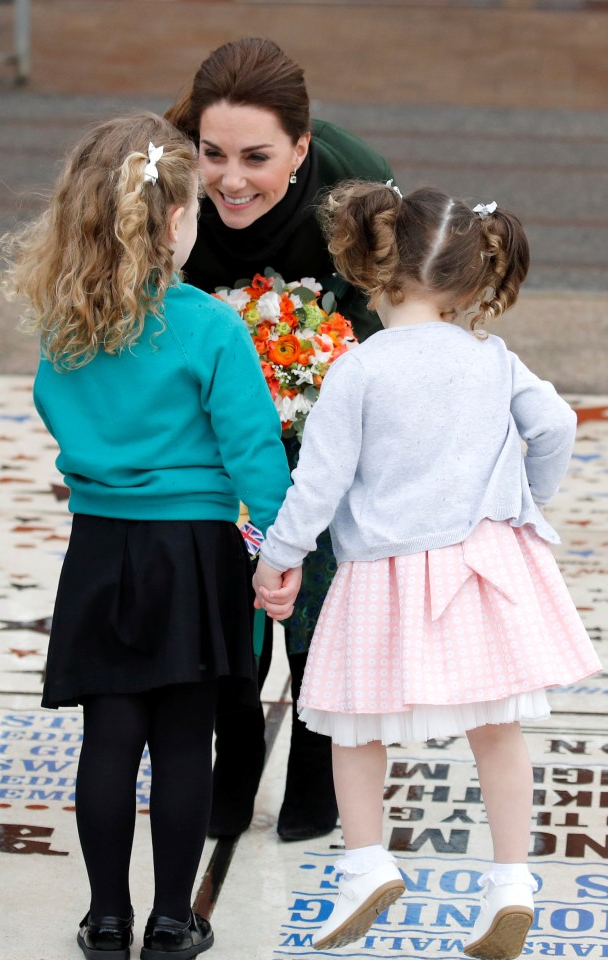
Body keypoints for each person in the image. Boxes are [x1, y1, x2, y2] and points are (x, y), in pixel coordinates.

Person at [252, 181, 603, 958]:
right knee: (497, 729)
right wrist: (521, 500)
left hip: (385, 575)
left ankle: (367, 864)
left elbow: (321, 481)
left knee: (355, 724)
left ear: (378, 270)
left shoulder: (361, 369)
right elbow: (550, 426)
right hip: (486, 564)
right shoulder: (491, 357)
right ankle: (511, 883)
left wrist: (278, 558)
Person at [0, 112, 292, 960]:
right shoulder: (208, 326)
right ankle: (173, 918)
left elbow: (57, 412)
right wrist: (279, 549)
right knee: (184, 741)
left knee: (108, 740)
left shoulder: (66, 320)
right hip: (195, 554)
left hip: (99, 548)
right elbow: (253, 452)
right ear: (173, 221)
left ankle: (105, 918)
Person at [165, 36, 395, 843]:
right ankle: (230, 766)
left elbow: (388, 325)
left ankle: (313, 759)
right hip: (206, 415)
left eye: (256, 157)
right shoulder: (165, 181)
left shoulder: (357, 186)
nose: (229, 180)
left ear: (301, 147)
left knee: (314, 596)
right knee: (224, 598)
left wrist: (317, 388)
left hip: (325, 408)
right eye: (212, 153)